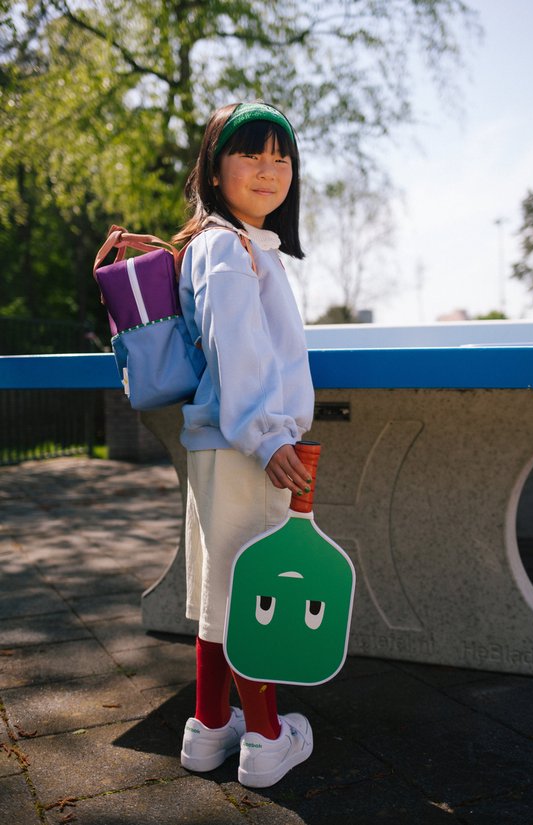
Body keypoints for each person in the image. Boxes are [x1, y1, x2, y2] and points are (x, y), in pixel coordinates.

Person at [174, 101, 315, 788]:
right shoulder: (229, 248)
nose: (269, 169)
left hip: (217, 443)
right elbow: (240, 350)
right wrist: (269, 436)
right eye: (251, 154)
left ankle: (208, 725)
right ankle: (264, 738)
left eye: (281, 157)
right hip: (248, 446)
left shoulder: (229, 243)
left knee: (219, 585)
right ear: (214, 167)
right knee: (258, 587)